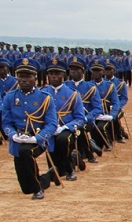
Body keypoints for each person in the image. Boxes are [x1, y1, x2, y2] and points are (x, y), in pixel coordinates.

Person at [1, 58, 59, 199]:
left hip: (38, 139)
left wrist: (36, 138)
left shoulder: (45, 98)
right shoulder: (10, 97)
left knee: (25, 151)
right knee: (25, 188)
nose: (24, 79)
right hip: (18, 139)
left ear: (35, 78)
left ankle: (38, 189)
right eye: (21, 76)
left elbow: (52, 124)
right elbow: (6, 122)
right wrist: (13, 135)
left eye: (28, 76)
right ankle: (49, 176)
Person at [41, 57, 86, 181]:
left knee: (61, 140)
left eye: (57, 74)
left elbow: (80, 118)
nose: (54, 77)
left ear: (63, 75)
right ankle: (64, 164)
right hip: (49, 128)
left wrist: (65, 127)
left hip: (67, 127)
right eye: (51, 74)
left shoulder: (72, 94)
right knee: (48, 142)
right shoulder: (43, 93)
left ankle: (69, 170)